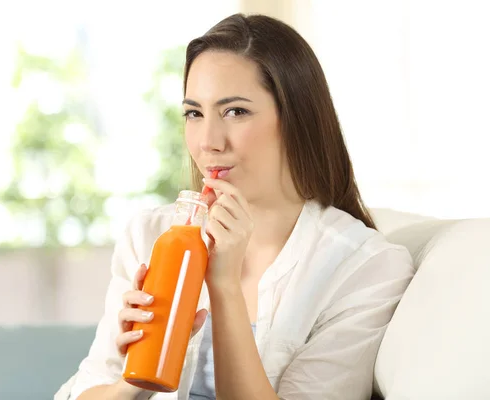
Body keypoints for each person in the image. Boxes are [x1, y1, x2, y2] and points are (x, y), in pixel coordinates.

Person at [55, 13, 414, 400]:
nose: (208, 141)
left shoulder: (365, 267)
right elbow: (83, 390)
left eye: (235, 111)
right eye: (194, 113)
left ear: (297, 118)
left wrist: (223, 288)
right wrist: (134, 378)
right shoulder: (150, 236)